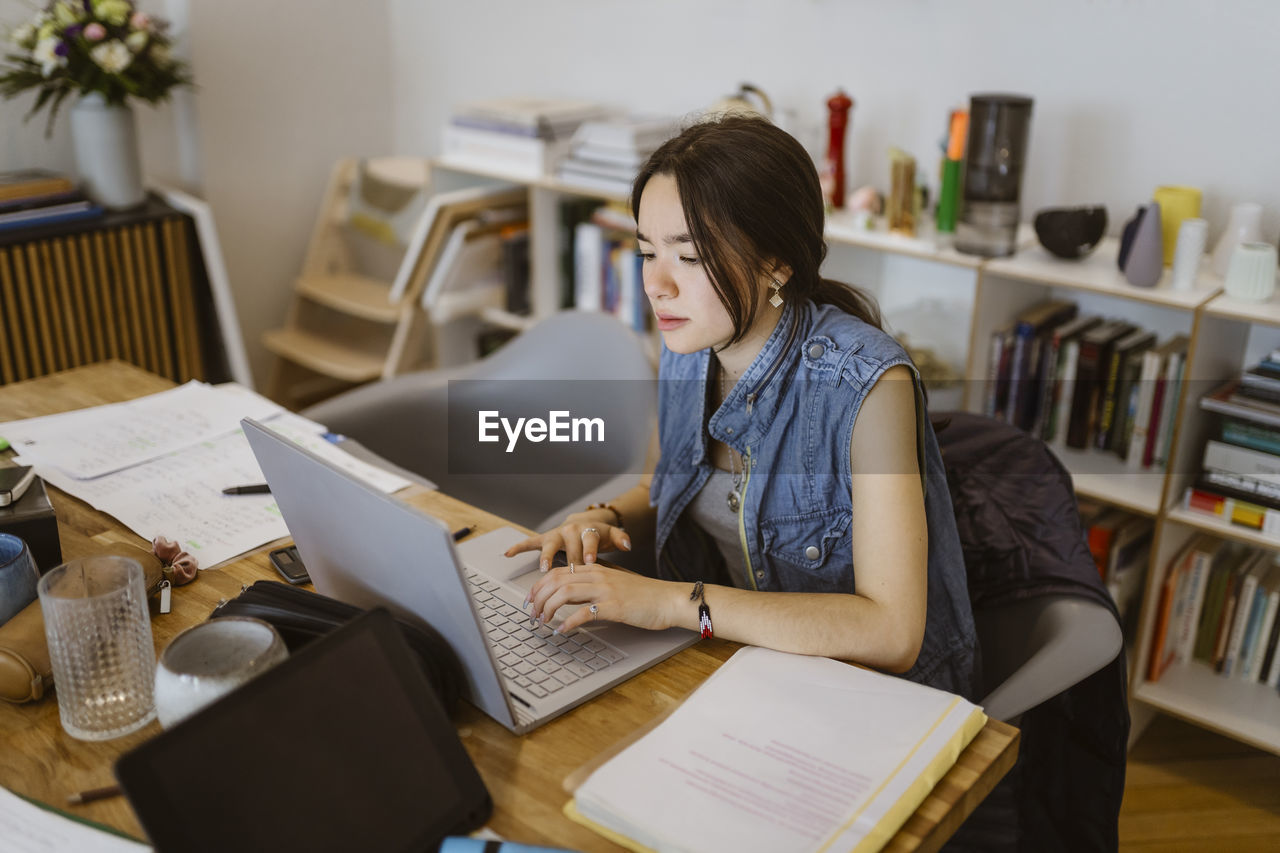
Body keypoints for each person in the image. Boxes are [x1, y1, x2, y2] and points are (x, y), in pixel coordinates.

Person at [506, 115, 979, 698]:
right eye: (647, 251)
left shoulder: (868, 385)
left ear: (776, 263)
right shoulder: (688, 342)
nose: (656, 284)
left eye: (690, 257)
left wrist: (673, 604)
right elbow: (665, 482)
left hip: (869, 698)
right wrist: (604, 519)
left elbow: (892, 632)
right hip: (737, 669)